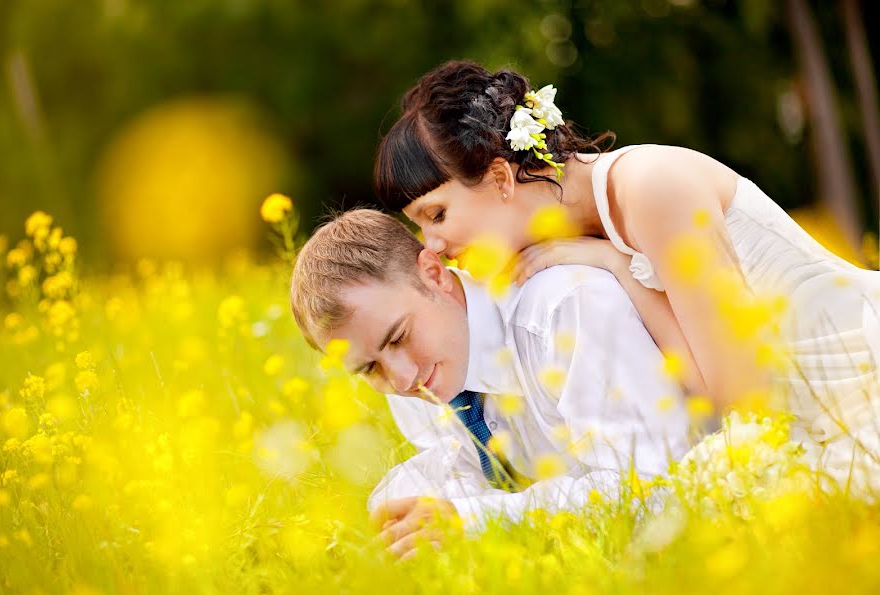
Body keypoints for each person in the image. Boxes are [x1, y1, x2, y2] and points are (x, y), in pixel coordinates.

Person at [373, 59, 880, 493]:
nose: (432, 248)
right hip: (796, 423)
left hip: (855, 389)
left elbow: (738, 399)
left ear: (501, 178)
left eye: (436, 215)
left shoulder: (652, 190)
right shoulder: (556, 246)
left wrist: (616, 265)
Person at [289, 209, 693, 559]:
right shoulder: (414, 382)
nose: (403, 379)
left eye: (398, 337)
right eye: (368, 370)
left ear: (433, 274)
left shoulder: (565, 309)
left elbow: (658, 486)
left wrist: (475, 521)